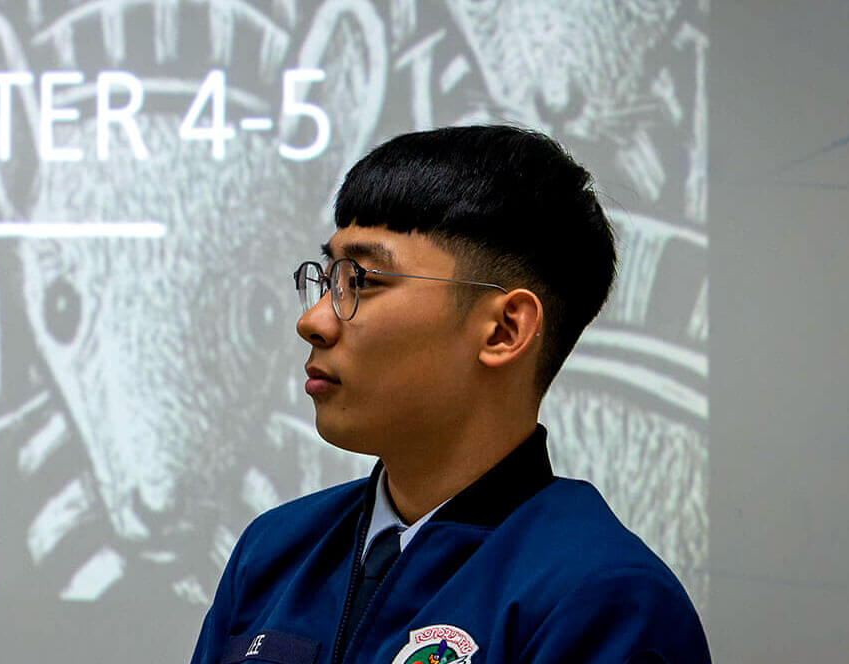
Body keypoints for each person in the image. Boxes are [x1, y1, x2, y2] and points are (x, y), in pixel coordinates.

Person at [189, 126, 710, 664]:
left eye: (362, 281)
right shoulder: (275, 551)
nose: (313, 320)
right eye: (326, 281)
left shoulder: (603, 601)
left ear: (505, 330)